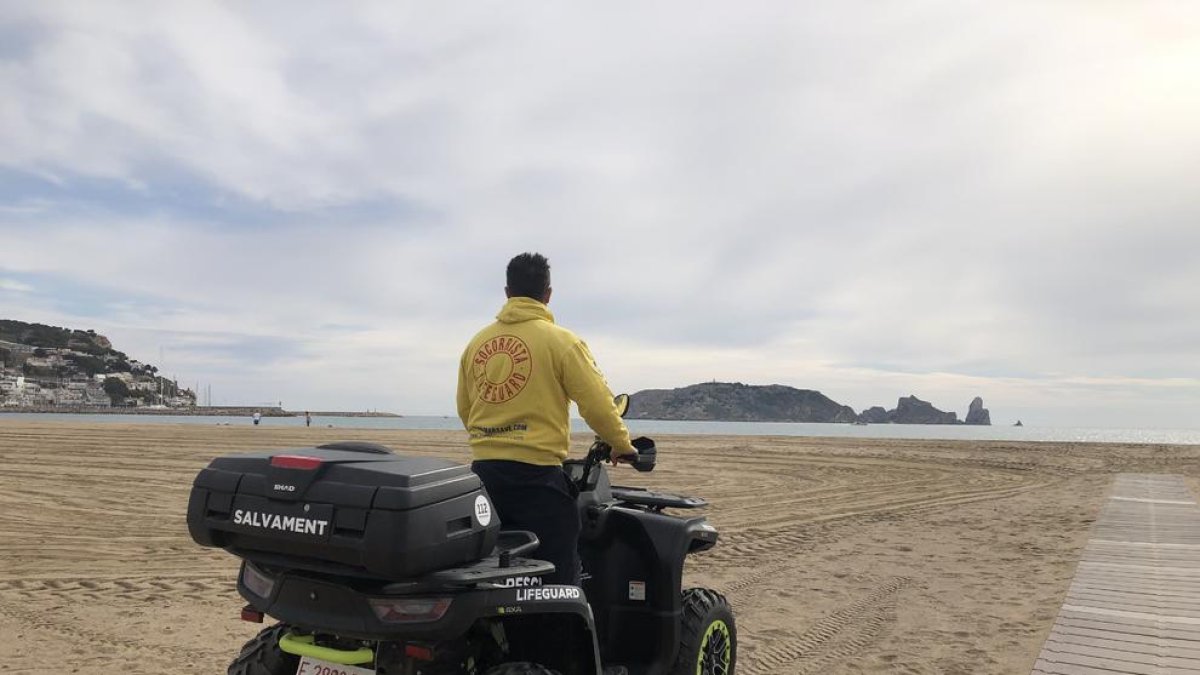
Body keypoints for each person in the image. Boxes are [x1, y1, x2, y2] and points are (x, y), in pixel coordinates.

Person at [457, 252, 636, 586]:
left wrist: (494, 436)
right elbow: (597, 405)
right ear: (548, 294)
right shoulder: (562, 343)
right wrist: (622, 445)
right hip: (538, 480)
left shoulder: (476, 345)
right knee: (559, 574)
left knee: (486, 572)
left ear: (507, 292)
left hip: (484, 477)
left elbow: (466, 409)